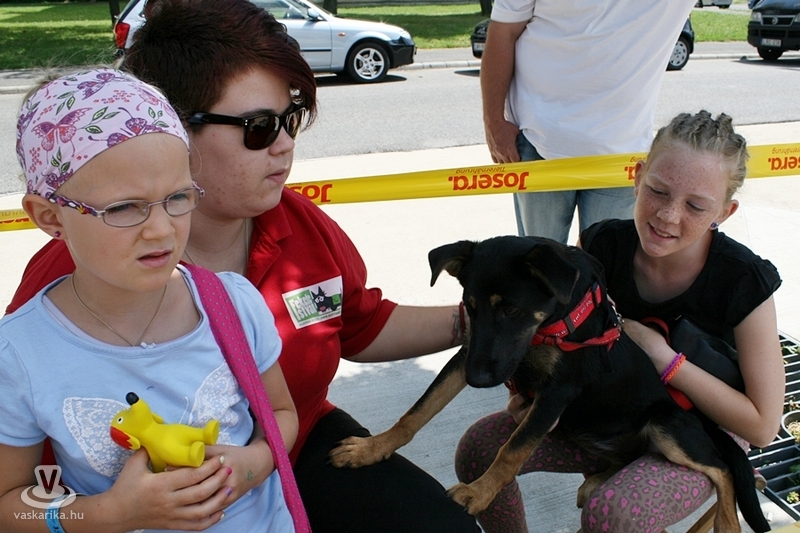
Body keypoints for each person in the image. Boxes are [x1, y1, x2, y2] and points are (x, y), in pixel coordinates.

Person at [4, 0, 479, 531]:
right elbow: (23, 490)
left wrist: (483, 319)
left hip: (291, 452)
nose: (286, 144)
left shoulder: (298, 223)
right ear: (173, 128)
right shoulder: (59, 294)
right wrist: (108, 512)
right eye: (259, 126)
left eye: (290, 119)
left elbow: (358, 323)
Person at [454, 111, 784, 532]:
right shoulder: (601, 245)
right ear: (637, 177)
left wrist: (666, 360)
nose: (668, 215)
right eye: (658, 191)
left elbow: (762, 427)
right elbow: (558, 340)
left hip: (702, 432)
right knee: (479, 449)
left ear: (726, 210)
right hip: (610, 412)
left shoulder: (744, 281)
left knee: (614, 512)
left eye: (695, 206)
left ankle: (697, 488)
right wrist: (527, 392)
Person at [0, 69, 298, 532]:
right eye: (123, 207)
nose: (161, 230)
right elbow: (9, 505)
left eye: (178, 197)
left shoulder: (232, 305)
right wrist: (113, 513)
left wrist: (253, 464)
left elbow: (281, 413)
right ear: (49, 217)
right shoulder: (21, 354)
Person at [481, 0, 697, 244]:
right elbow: (503, 31)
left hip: (620, 154)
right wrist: (493, 121)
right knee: (539, 260)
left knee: (606, 260)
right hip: (539, 141)